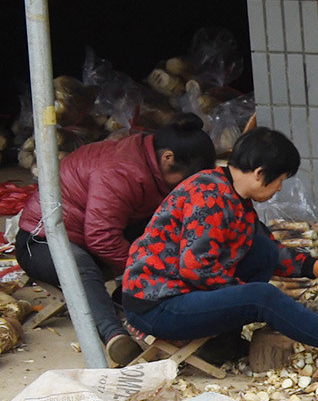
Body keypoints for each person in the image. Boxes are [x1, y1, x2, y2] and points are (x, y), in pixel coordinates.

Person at [121, 127, 318, 368]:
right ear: (260, 173)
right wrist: (244, 297)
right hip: (158, 305)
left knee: (262, 252)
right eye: (279, 180)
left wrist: (316, 267)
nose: (279, 188)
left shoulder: (231, 192)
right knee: (262, 298)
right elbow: (195, 268)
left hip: (181, 292)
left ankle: (221, 343)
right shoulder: (210, 197)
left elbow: (268, 250)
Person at [15, 114, 216, 366]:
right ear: (168, 158)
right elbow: (101, 238)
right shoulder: (121, 171)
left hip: (89, 237)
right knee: (78, 267)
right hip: (40, 242)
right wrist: (150, 272)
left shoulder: (148, 162)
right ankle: (113, 335)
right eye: (188, 176)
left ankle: (125, 297)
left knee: (169, 230)